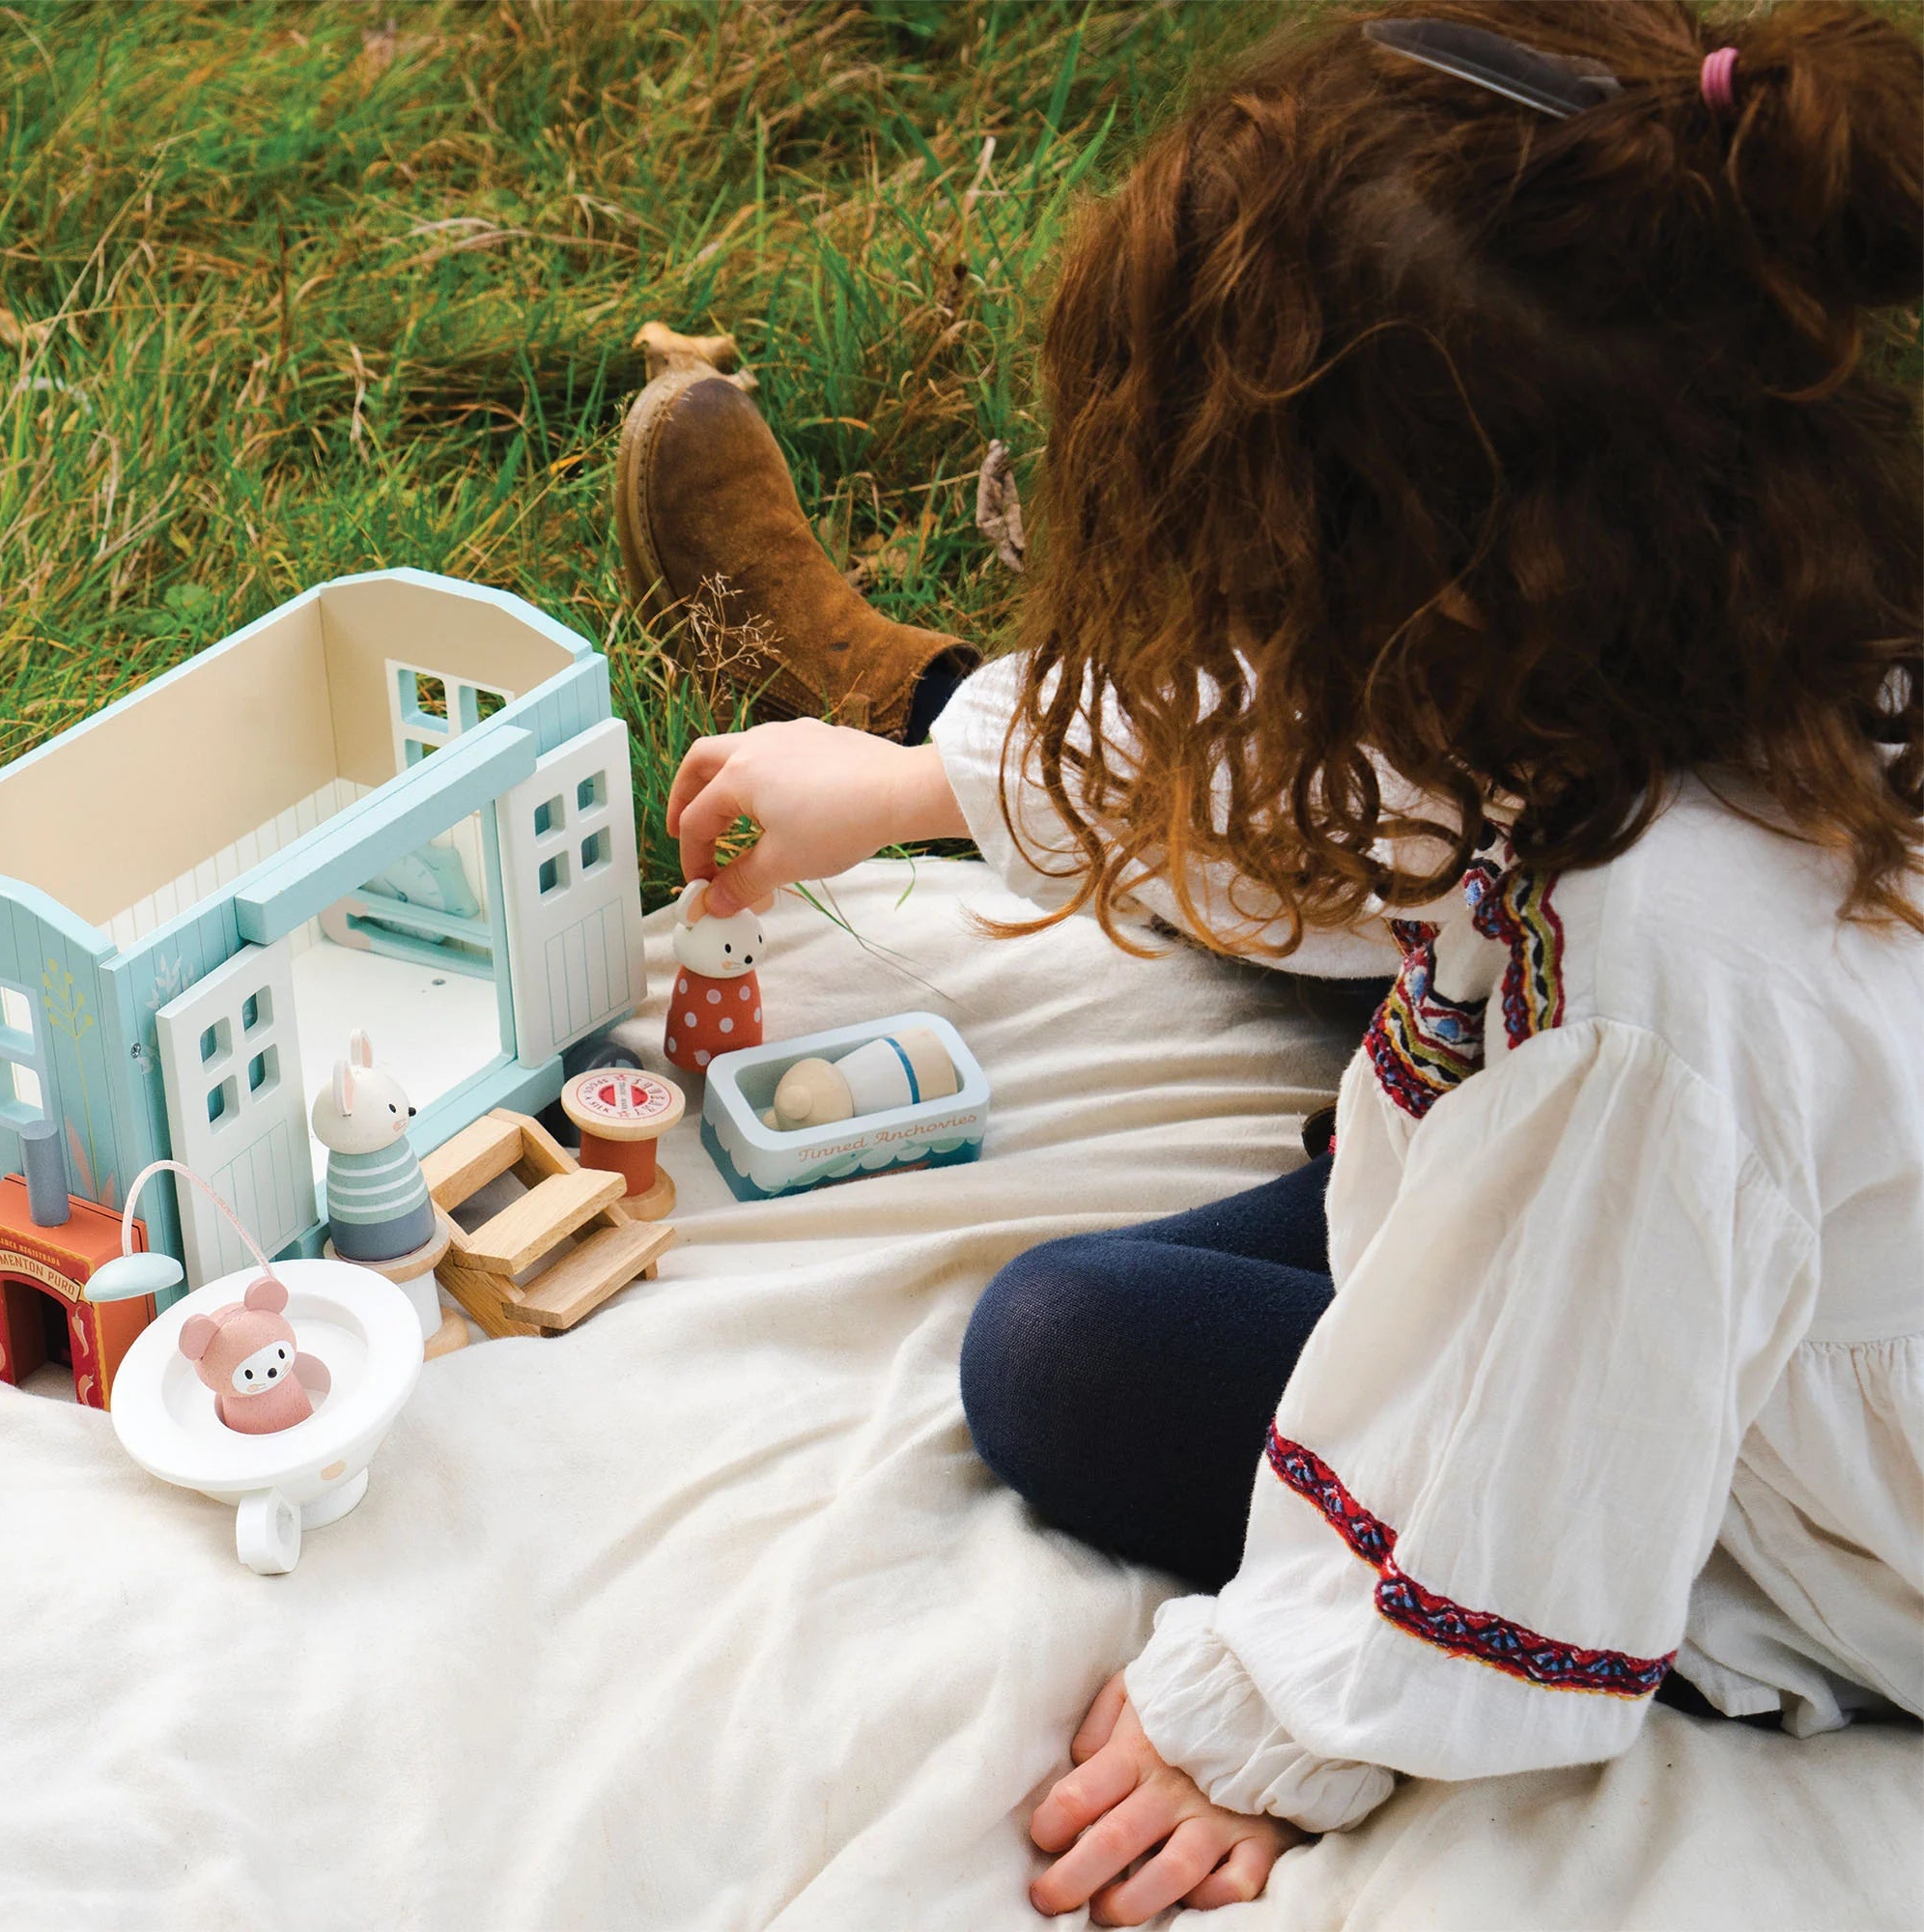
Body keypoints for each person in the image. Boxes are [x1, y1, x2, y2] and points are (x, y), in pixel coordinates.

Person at [629, 2, 1923, 1922]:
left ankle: (926, 695)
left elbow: (1547, 1420)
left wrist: (1266, 1724)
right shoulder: (1731, 584)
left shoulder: (1654, 990)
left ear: (1423, 580)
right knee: (1393, 955)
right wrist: (926, 783)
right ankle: (910, 687)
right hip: (1777, 1177)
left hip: (1807, 1446)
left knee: (1063, 1357)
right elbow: (1364, 791)